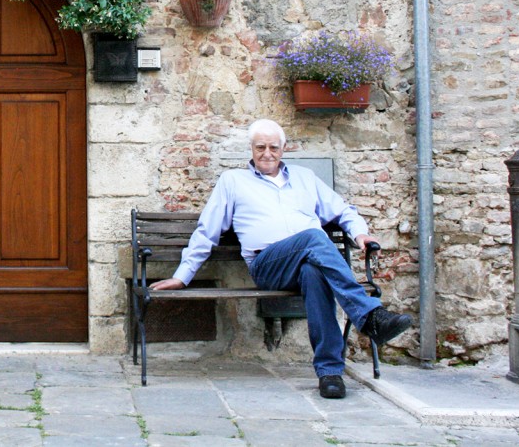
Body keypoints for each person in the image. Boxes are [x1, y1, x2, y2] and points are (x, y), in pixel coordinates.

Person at [150, 118, 412, 399]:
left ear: (284, 148)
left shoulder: (305, 178)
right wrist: (183, 275)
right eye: (260, 147)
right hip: (267, 265)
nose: (266, 153)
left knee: (315, 271)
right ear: (251, 149)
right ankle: (369, 316)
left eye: (273, 147)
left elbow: (343, 210)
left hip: (307, 262)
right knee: (313, 236)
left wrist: (360, 234)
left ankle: (330, 372)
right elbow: (207, 230)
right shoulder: (233, 181)